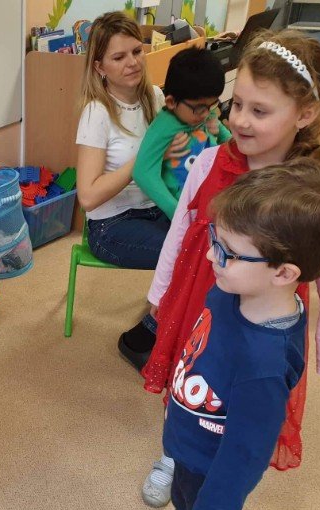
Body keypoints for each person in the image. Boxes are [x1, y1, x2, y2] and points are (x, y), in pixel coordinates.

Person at [139, 29, 320, 509]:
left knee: (237, 393)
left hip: (265, 312)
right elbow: (181, 231)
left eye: (259, 111)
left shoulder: (312, 189)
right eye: (236, 104)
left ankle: (219, 461)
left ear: (305, 114)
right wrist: (160, 290)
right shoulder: (209, 163)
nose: (238, 119)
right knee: (190, 377)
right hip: (201, 293)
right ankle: (174, 454)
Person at [139, 158, 320, 510]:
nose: (210, 256)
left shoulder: (263, 366)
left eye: (226, 252)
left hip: (213, 464)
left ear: (284, 273)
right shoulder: (232, 290)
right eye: (214, 240)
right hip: (189, 444)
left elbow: (245, 455)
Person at [120, 47, 231, 371]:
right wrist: (179, 213)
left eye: (213, 105)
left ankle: (191, 332)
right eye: (199, 108)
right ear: (171, 102)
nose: (206, 113)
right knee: (188, 270)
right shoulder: (165, 126)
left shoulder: (205, 115)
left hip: (208, 210)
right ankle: (144, 336)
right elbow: (143, 172)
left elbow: (227, 147)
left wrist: (219, 129)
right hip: (185, 216)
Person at [75, 12, 167, 270]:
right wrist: (144, 159)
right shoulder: (97, 113)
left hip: (157, 206)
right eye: (119, 57)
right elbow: (88, 197)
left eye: (137, 51)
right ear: (99, 67)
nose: (133, 63)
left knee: (212, 238)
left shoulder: (155, 96)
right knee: (187, 253)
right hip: (112, 223)